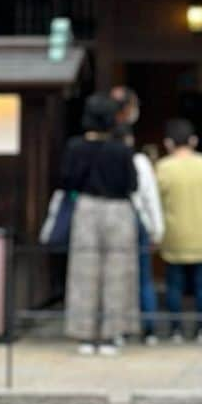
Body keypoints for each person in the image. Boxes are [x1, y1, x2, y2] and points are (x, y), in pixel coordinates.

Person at [60, 93, 139, 355]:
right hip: (118, 209)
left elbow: (68, 181)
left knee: (84, 271)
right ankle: (112, 334)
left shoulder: (75, 147)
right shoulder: (122, 149)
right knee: (117, 272)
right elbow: (132, 185)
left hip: (86, 208)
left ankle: (85, 335)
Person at [156, 119, 202, 344]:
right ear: (193, 141)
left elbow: (156, 199)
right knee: (201, 284)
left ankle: (176, 330)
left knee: (174, 283)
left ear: (168, 143)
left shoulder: (163, 167)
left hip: (174, 233)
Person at [112, 86, 165, 345]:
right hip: (138, 221)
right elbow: (150, 199)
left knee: (118, 278)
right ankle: (149, 329)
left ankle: (119, 330)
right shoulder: (140, 163)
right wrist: (157, 229)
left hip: (116, 222)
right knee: (143, 278)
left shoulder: (108, 159)